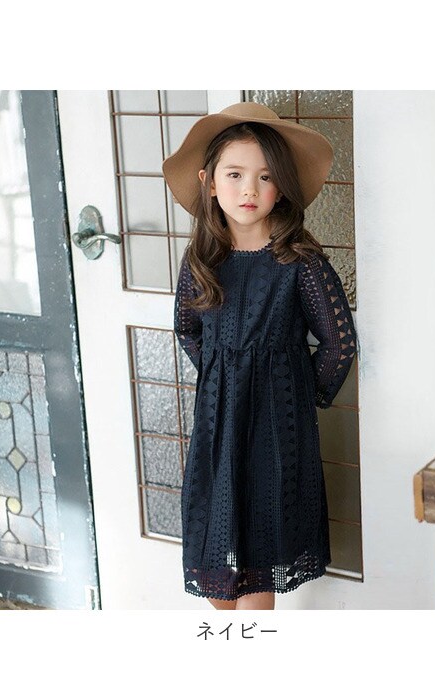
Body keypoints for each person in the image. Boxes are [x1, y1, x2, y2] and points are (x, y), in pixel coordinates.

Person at [163, 102, 358, 611]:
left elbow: (339, 342)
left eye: (265, 177)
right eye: (235, 174)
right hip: (216, 428)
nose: (249, 189)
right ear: (209, 182)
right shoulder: (203, 258)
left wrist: (299, 393)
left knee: (257, 568)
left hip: (277, 429)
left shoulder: (300, 262)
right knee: (215, 569)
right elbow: (187, 327)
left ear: (282, 187)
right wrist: (222, 375)